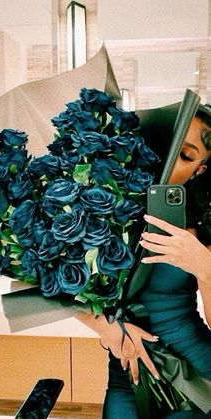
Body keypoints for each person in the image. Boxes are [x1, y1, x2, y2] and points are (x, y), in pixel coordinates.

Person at [76, 103, 211, 418]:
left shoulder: (204, 223)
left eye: (191, 158)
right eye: (174, 149)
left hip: (194, 373)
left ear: (200, 170)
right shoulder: (100, 205)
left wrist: (204, 267)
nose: (171, 161)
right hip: (127, 371)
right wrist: (109, 329)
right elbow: (52, 284)